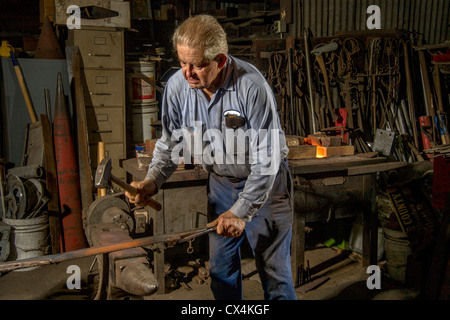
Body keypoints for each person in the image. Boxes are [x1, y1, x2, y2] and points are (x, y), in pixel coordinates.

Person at [125, 14, 297, 300]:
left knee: (274, 273)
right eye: (182, 62)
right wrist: (152, 181)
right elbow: (170, 143)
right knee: (221, 271)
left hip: (266, 187)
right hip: (221, 186)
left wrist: (242, 211)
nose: (188, 73)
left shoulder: (251, 86)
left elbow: (267, 158)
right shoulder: (177, 87)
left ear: (221, 59)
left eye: (199, 65)